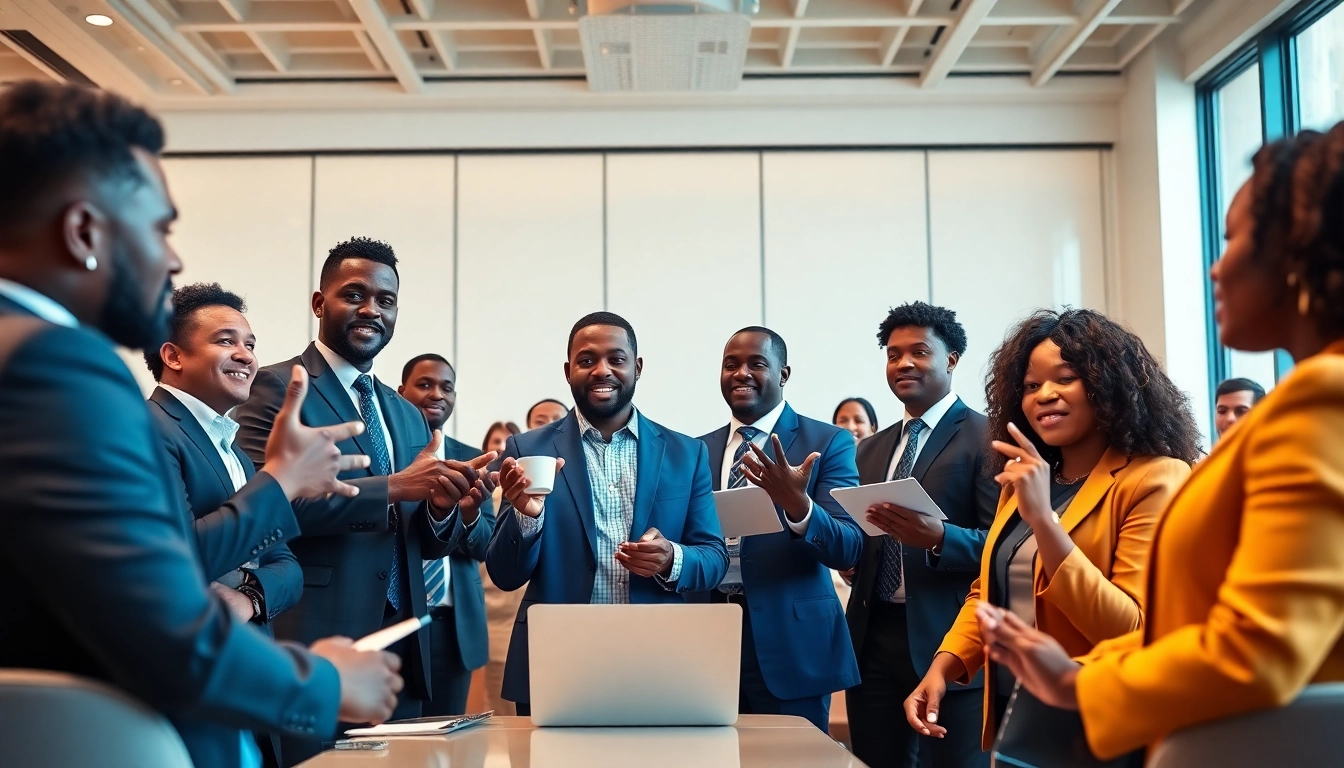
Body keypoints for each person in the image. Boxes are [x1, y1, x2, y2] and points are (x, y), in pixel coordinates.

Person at [0, 80, 401, 768]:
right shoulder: (55, 367)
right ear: (84, 232)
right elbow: (161, 631)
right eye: (159, 229)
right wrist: (327, 682)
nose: (174, 260)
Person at [977, 122, 1344, 763]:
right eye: (1032, 385)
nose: (1216, 266)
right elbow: (1189, 626)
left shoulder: (1321, 399)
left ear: (1298, 254)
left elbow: (1257, 649)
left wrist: (1083, 684)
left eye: (1233, 239)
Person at [235, 237, 496, 764]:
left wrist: (444, 506)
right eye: (354, 295)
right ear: (319, 303)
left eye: (385, 300)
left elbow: (423, 541)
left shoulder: (405, 414)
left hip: (404, 649)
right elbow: (267, 508)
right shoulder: (277, 388)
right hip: (316, 639)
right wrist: (395, 487)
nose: (371, 309)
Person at [904, 308, 1201, 750]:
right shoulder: (1023, 478)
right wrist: (943, 666)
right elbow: (988, 591)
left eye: (1065, 379)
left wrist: (1045, 521)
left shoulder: (1155, 478)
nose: (1044, 395)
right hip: (1014, 712)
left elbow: (1132, 628)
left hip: (1098, 721)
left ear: (1109, 385)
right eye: (1030, 386)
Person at [485, 311, 729, 713]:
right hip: (556, 659)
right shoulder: (527, 450)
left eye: (616, 359)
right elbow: (505, 575)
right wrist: (527, 518)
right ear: (568, 371)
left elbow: (714, 559)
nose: (602, 370)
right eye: (587, 360)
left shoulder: (686, 454)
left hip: (660, 659)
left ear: (637, 367)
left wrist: (672, 558)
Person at [145, 282, 310, 766]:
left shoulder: (236, 451)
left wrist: (250, 598)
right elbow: (182, 558)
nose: (246, 355)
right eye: (226, 341)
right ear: (173, 355)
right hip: (190, 679)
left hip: (247, 668)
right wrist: (282, 480)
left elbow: (288, 567)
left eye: (251, 344)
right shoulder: (150, 428)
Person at [843, 301, 998, 768]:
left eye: (919, 352)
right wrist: (855, 559)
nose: (903, 363)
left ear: (951, 359)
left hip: (949, 639)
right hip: (872, 641)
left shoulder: (987, 438)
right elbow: (869, 535)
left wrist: (939, 538)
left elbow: (1006, 546)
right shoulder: (870, 449)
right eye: (893, 355)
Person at [692, 326, 863, 731]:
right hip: (707, 644)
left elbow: (849, 547)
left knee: (793, 758)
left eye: (757, 364)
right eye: (731, 365)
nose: (741, 373)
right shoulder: (695, 450)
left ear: (783, 374)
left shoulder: (828, 442)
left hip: (793, 644)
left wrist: (799, 505)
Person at [396, 353, 493, 717]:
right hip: (396, 619)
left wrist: (467, 515)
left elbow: (486, 546)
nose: (437, 393)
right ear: (401, 392)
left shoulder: (474, 458)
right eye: (425, 384)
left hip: (454, 627)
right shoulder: (389, 455)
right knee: (394, 739)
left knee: (448, 738)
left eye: (446, 387)